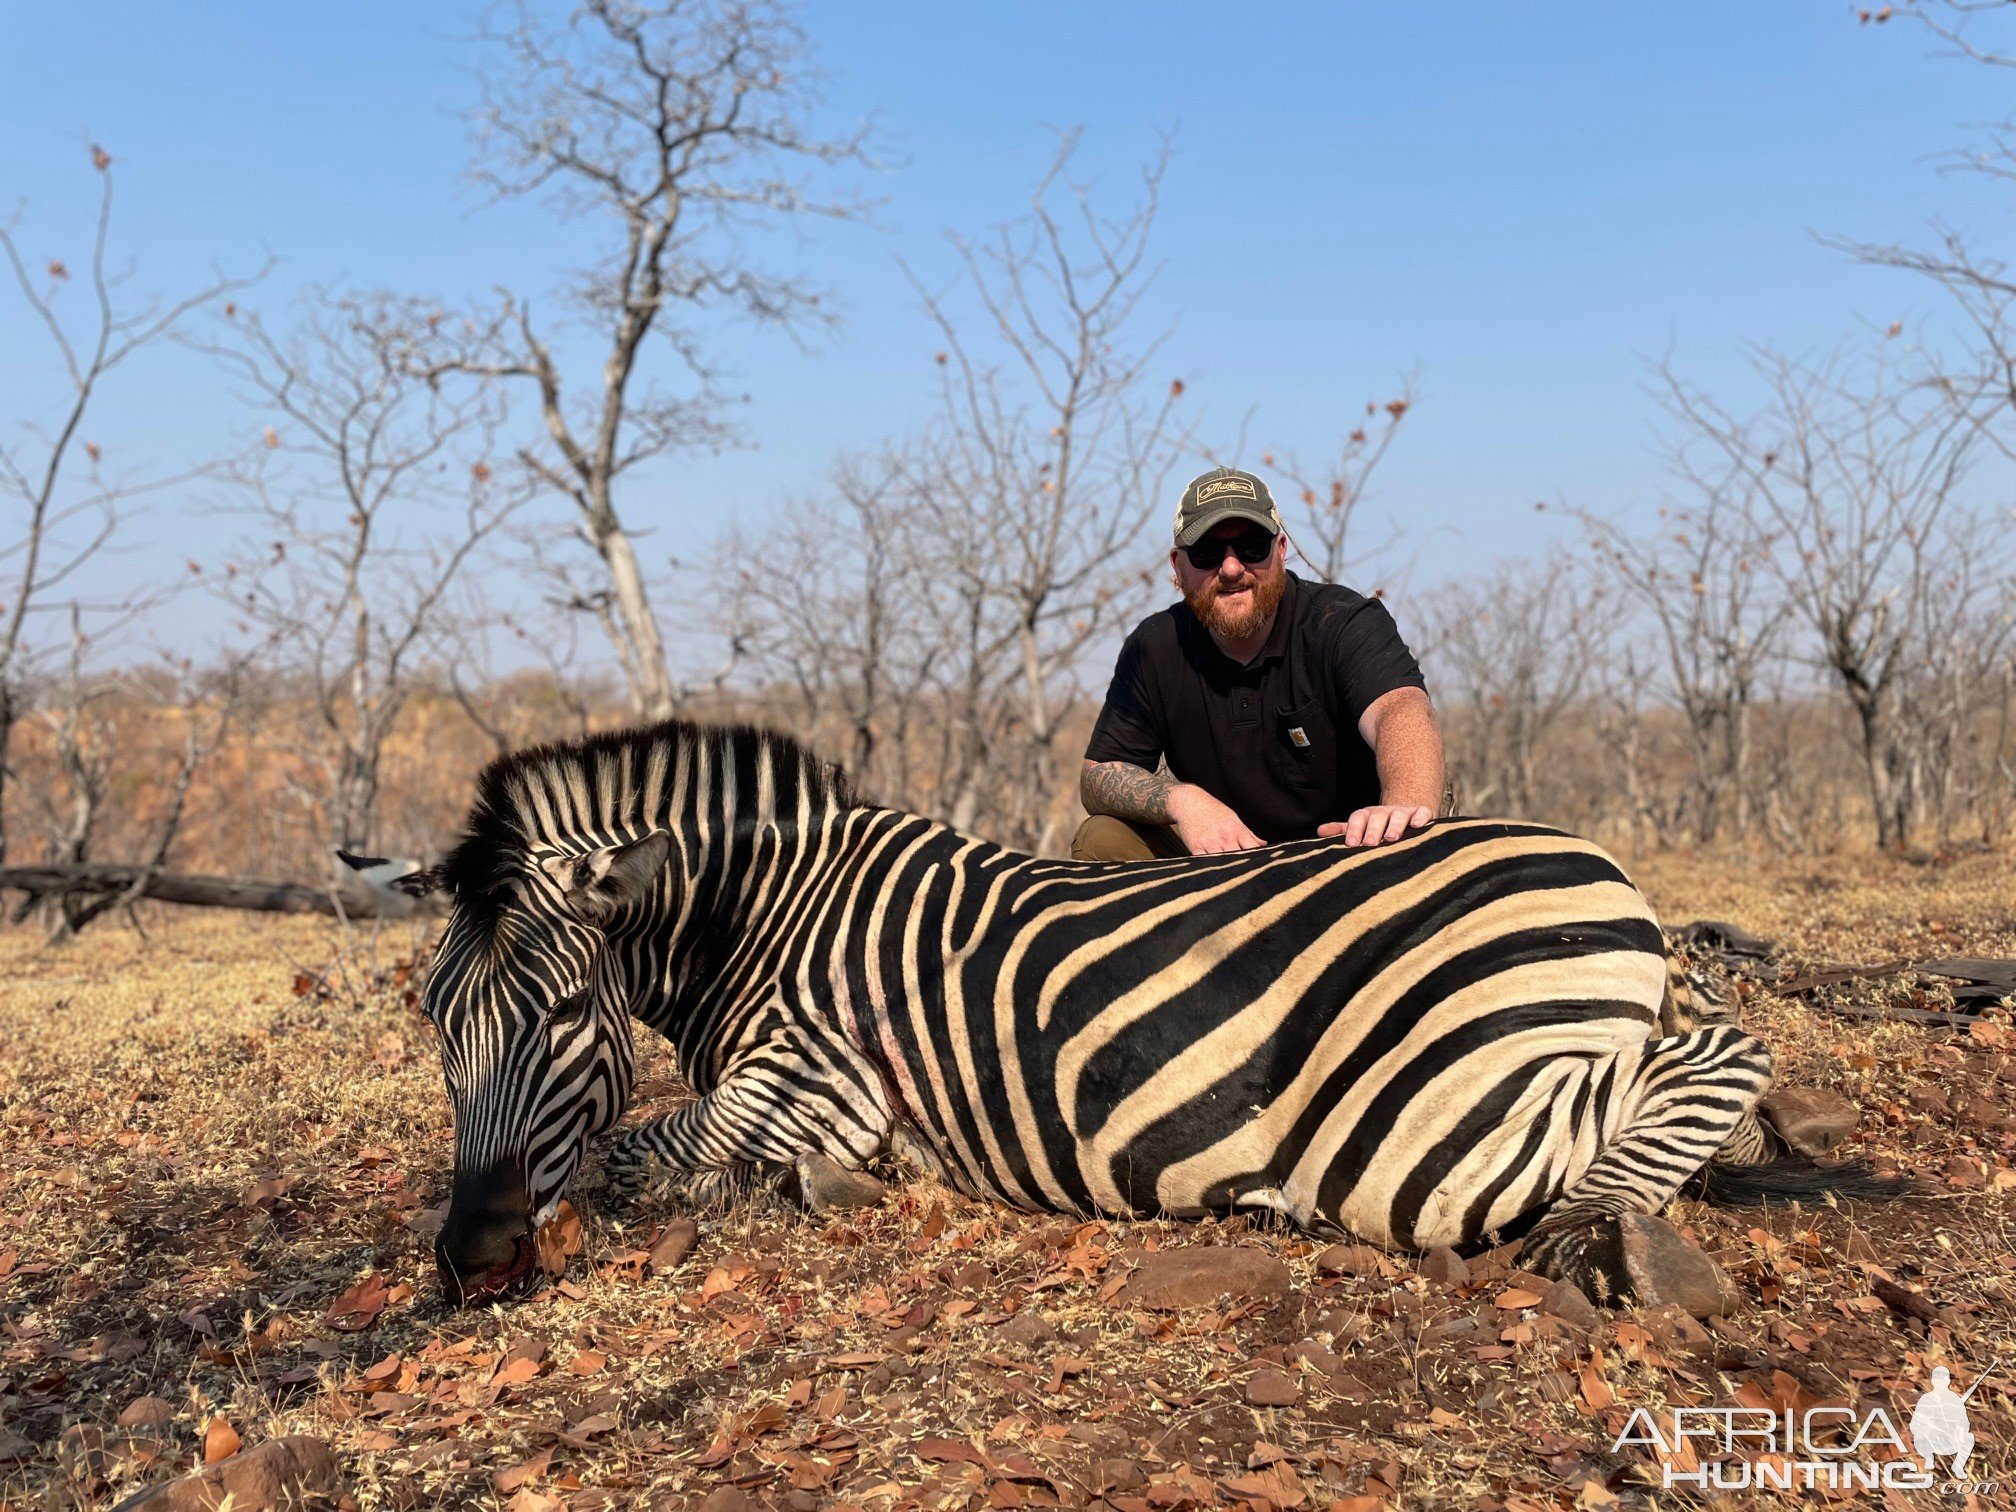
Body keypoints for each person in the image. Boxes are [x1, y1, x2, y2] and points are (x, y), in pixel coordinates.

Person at [1073, 465, 1446, 862]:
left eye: (1252, 547)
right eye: (1207, 552)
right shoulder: (1154, 646)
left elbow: (1399, 711)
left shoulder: (1343, 621)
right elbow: (1099, 774)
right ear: (1177, 565)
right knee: (1101, 837)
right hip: (1222, 870)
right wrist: (1181, 800)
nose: (1231, 569)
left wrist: (1402, 807)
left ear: (1281, 550)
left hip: (1345, 861)